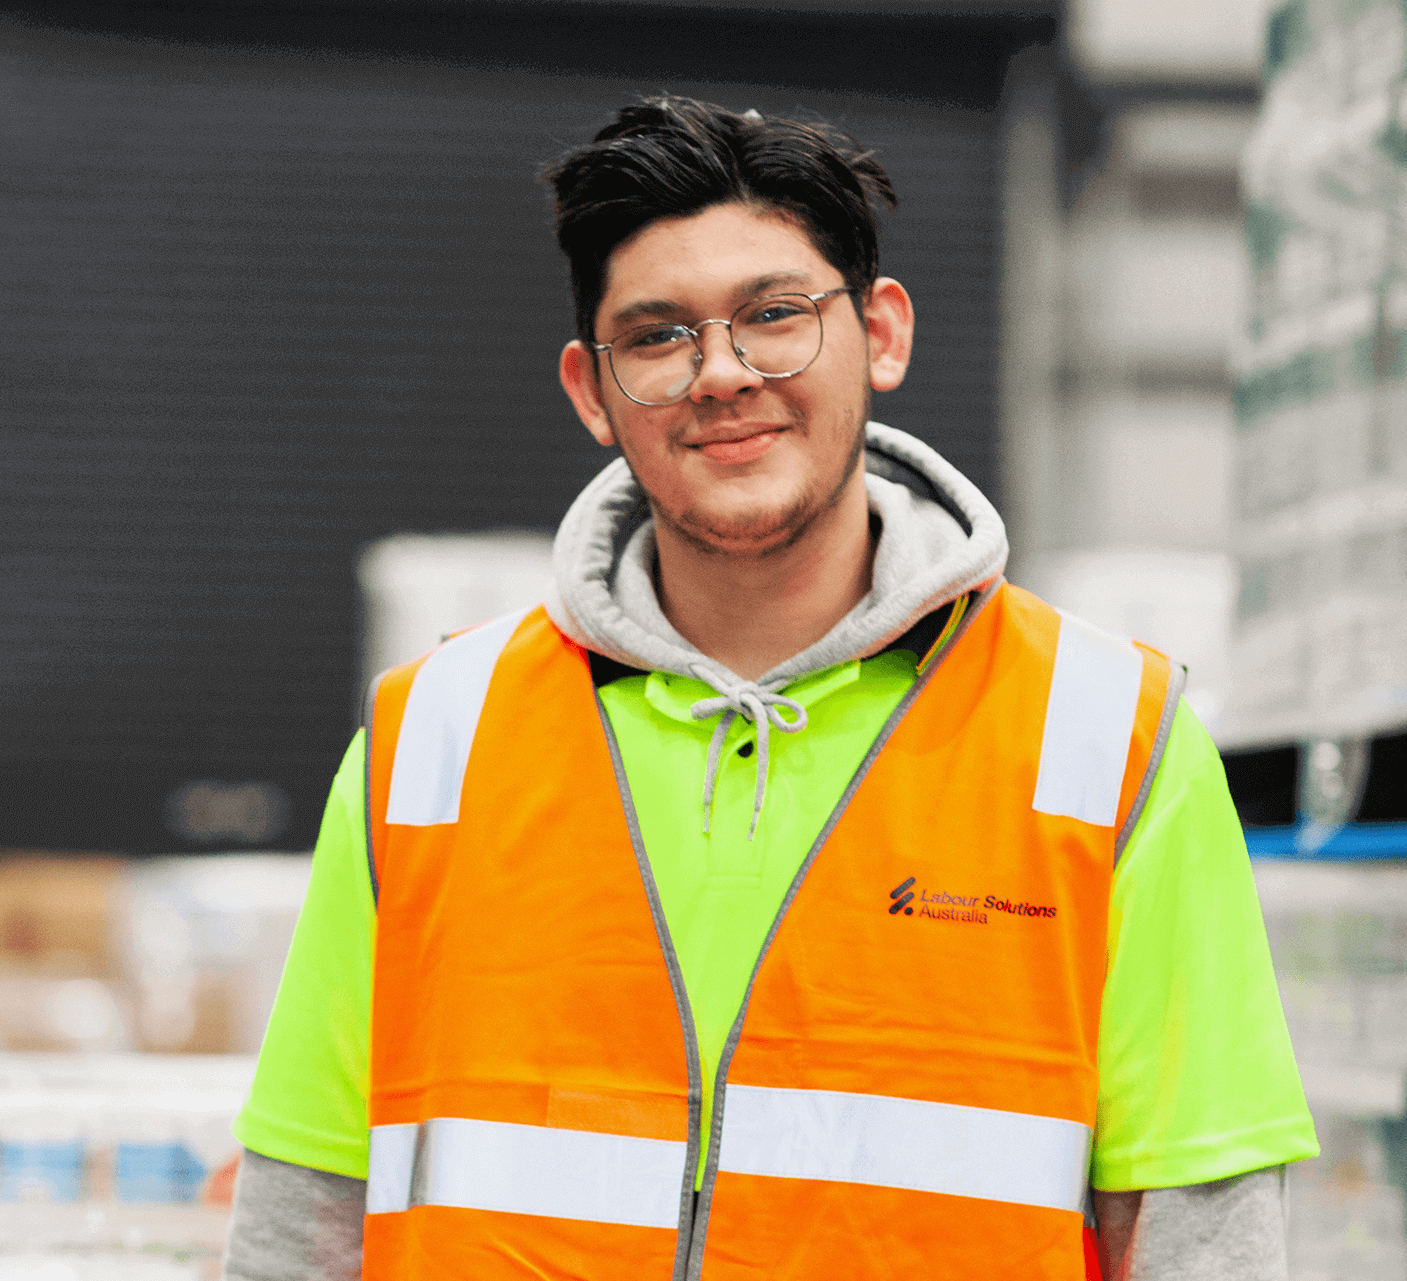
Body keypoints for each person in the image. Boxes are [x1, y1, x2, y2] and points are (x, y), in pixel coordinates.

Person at [222, 96, 1317, 1280]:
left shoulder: (1110, 741)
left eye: (775, 315)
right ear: (592, 391)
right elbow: (305, 1211)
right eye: (657, 337)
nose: (721, 373)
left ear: (882, 334)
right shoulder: (430, 739)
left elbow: (1205, 1238)